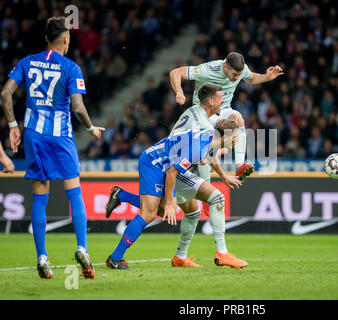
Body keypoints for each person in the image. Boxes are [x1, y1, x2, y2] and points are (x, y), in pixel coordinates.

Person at [0, 17, 104, 279]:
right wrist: (91, 128)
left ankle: (42, 256)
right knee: (74, 191)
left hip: (34, 135)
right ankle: (82, 248)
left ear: (46, 38)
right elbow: (78, 107)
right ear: (65, 40)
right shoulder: (71, 68)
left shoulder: (26, 62)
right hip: (60, 136)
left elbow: (5, 94)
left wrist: (13, 125)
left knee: (39, 195)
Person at [106, 84, 248, 268]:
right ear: (225, 136)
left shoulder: (208, 136)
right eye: (234, 137)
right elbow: (173, 171)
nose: (236, 140)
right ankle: (115, 258)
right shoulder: (199, 147)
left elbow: (210, 156)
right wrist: (172, 201)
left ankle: (122, 196)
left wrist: (223, 176)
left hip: (161, 163)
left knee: (161, 209)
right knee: (149, 214)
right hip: (155, 164)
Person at [169, 51, 284, 179]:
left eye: (239, 75)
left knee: (238, 119)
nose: (236, 78)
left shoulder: (242, 69)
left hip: (223, 110)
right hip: (203, 113)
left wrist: (267, 77)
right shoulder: (207, 69)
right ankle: (204, 181)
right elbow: (176, 72)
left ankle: (239, 167)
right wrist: (179, 92)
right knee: (205, 159)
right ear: (224, 67)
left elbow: (250, 78)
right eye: (234, 74)